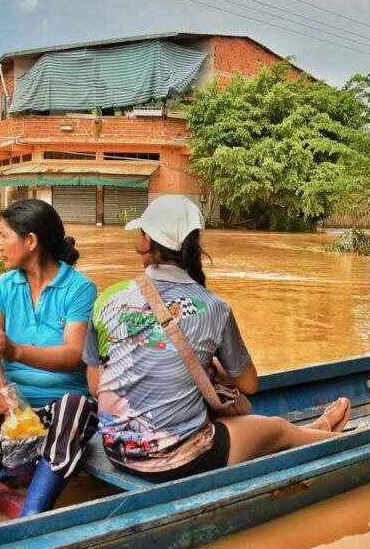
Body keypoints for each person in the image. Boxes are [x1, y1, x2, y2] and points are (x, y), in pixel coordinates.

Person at [82, 195, 350, 484]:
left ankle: (313, 429)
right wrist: (213, 368)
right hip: (175, 459)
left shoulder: (108, 297)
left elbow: (96, 386)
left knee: (234, 420)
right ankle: (332, 434)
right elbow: (249, 384)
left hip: (116, 450)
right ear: (194, 244)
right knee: (277, 429)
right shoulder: (213, 306)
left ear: (146, 241)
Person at [0, 199, 99, 537]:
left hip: (64, 402)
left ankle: (34, 510)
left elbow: (74, 355)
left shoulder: (79, 288)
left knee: (75, 406)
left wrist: (15, 350)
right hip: (18, 399)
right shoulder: (3, 287)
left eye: (4, 236)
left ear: (31, 241)